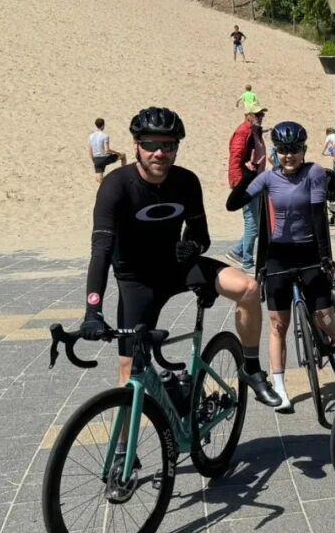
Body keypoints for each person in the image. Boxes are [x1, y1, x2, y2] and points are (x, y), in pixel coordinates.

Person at [81, 107, 281, 406]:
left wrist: (193, 247)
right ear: (136, 145)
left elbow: (202, 236)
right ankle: (134, 435)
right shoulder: (116, 186)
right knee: (129, 373)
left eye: (169, 145)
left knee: (249, 289)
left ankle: (251, 368)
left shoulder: (186, 181)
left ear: (177, 148)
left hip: (177, 268)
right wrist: (93, 311)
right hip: (136, 280)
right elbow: (100, 252)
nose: (159, 152)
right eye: (150, 144)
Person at [226, 121, 335, 410]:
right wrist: (247, 177)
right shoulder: (268, 179)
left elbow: (318, 217)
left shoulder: (314, 173)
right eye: (283, 150)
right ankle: (279, 385)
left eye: (295, 150)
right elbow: (232, 204)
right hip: (277, 255)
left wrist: (325, 257)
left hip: (310, 252)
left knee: (325, 317)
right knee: (278, 325)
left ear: (304, 150)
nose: (289, 156)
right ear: (276, 151)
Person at [226, 103, 268, 271]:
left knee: (255, 224)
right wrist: (239, 185)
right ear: (248, 115)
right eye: (257, 114)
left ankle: (237, 252)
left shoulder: (255, 130)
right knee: (252, 224)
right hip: (246, 183)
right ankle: (248, 263)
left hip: (255, 182)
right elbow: (235, 159)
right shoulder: (243, 132)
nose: (260, 117)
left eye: (262, 114)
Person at [88, 118, 128, 184]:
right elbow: (107, 150)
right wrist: (117, 153)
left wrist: (94, 161)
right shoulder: (105, 136)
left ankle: (102, 185)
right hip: (105, 158)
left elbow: (90, 151)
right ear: (103, 125)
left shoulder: (90, 136)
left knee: (100, 179)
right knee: (123, 155)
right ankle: (124, 174)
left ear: (96, 125)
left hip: (96, 159)